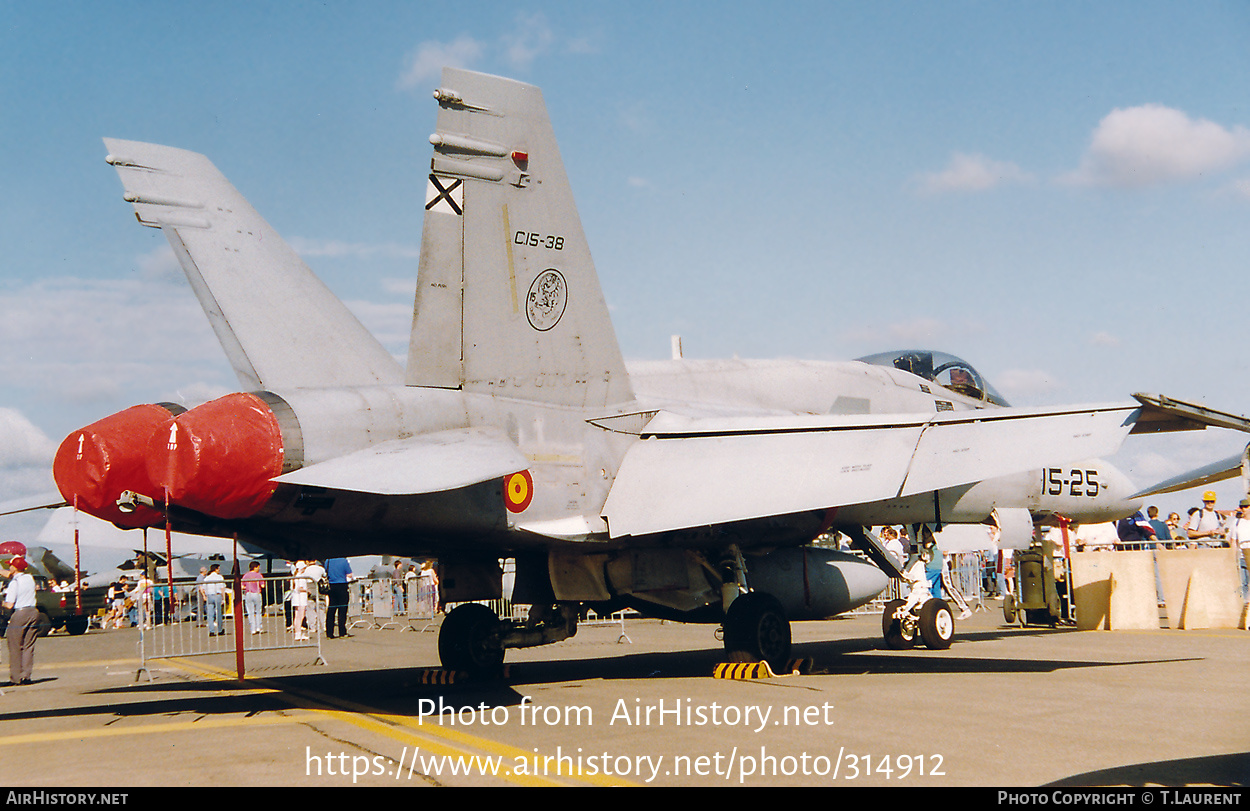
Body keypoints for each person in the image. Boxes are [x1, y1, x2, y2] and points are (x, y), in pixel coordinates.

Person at [2, 556, 39, 685]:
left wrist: (1, 602)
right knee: (28, 646)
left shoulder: (14, 583)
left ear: (14, 567)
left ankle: (16, 678)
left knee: (15, 646)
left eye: (10, 565)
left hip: (20, 613)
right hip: (33, 612)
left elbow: (9, 605)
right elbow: (11, 574)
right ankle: (26, 676)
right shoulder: (29, 578)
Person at [326, 558, 353, 638]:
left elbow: (326, 572)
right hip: (342, 585)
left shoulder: (328, 561)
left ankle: (329, 633)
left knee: (331, 610)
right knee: (342, 610)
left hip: (331, 585)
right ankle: (342, 632)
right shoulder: (344, 561)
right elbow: (349, 574)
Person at [302, 559, 326, 636]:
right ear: (315, 561)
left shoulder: (306, 570)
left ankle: (312, 627)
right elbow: (325, 575)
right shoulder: (320, 568)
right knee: (321, 608)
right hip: (319, 587)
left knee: (310, 608)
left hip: (309, 587)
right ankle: (323, 625)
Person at [242, 562, 265, 634]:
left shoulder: (246, 575)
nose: (259, 568)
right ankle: (259, 627)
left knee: (250, 612)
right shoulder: (259, 575)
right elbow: (263, 585)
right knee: (258, 611)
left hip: (248, 593)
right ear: (255, 567)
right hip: (257, 593)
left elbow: (242, 586)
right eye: (258, 567)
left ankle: (253, 628)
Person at [203, 564, 226, 635]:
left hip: (209, 595)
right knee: (219, 613)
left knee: (210, 614)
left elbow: (204, 588)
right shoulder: (220, 577)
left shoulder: (207, 578)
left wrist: (205, 596)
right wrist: (223, 598)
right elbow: (222, 588)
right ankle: (220, 629)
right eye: (218, 569)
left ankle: (211, 630)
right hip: (217, 595)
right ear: (216, 569)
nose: (219, 570)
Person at [290, 561, 310, 641]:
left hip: (296, 597)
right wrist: (307, 590)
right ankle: (298, 633)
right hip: (301, 598)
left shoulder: (295, 576)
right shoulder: (301, 577)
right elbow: (300, 588)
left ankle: (297, 633)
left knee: (297, 615)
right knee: (300, 616)